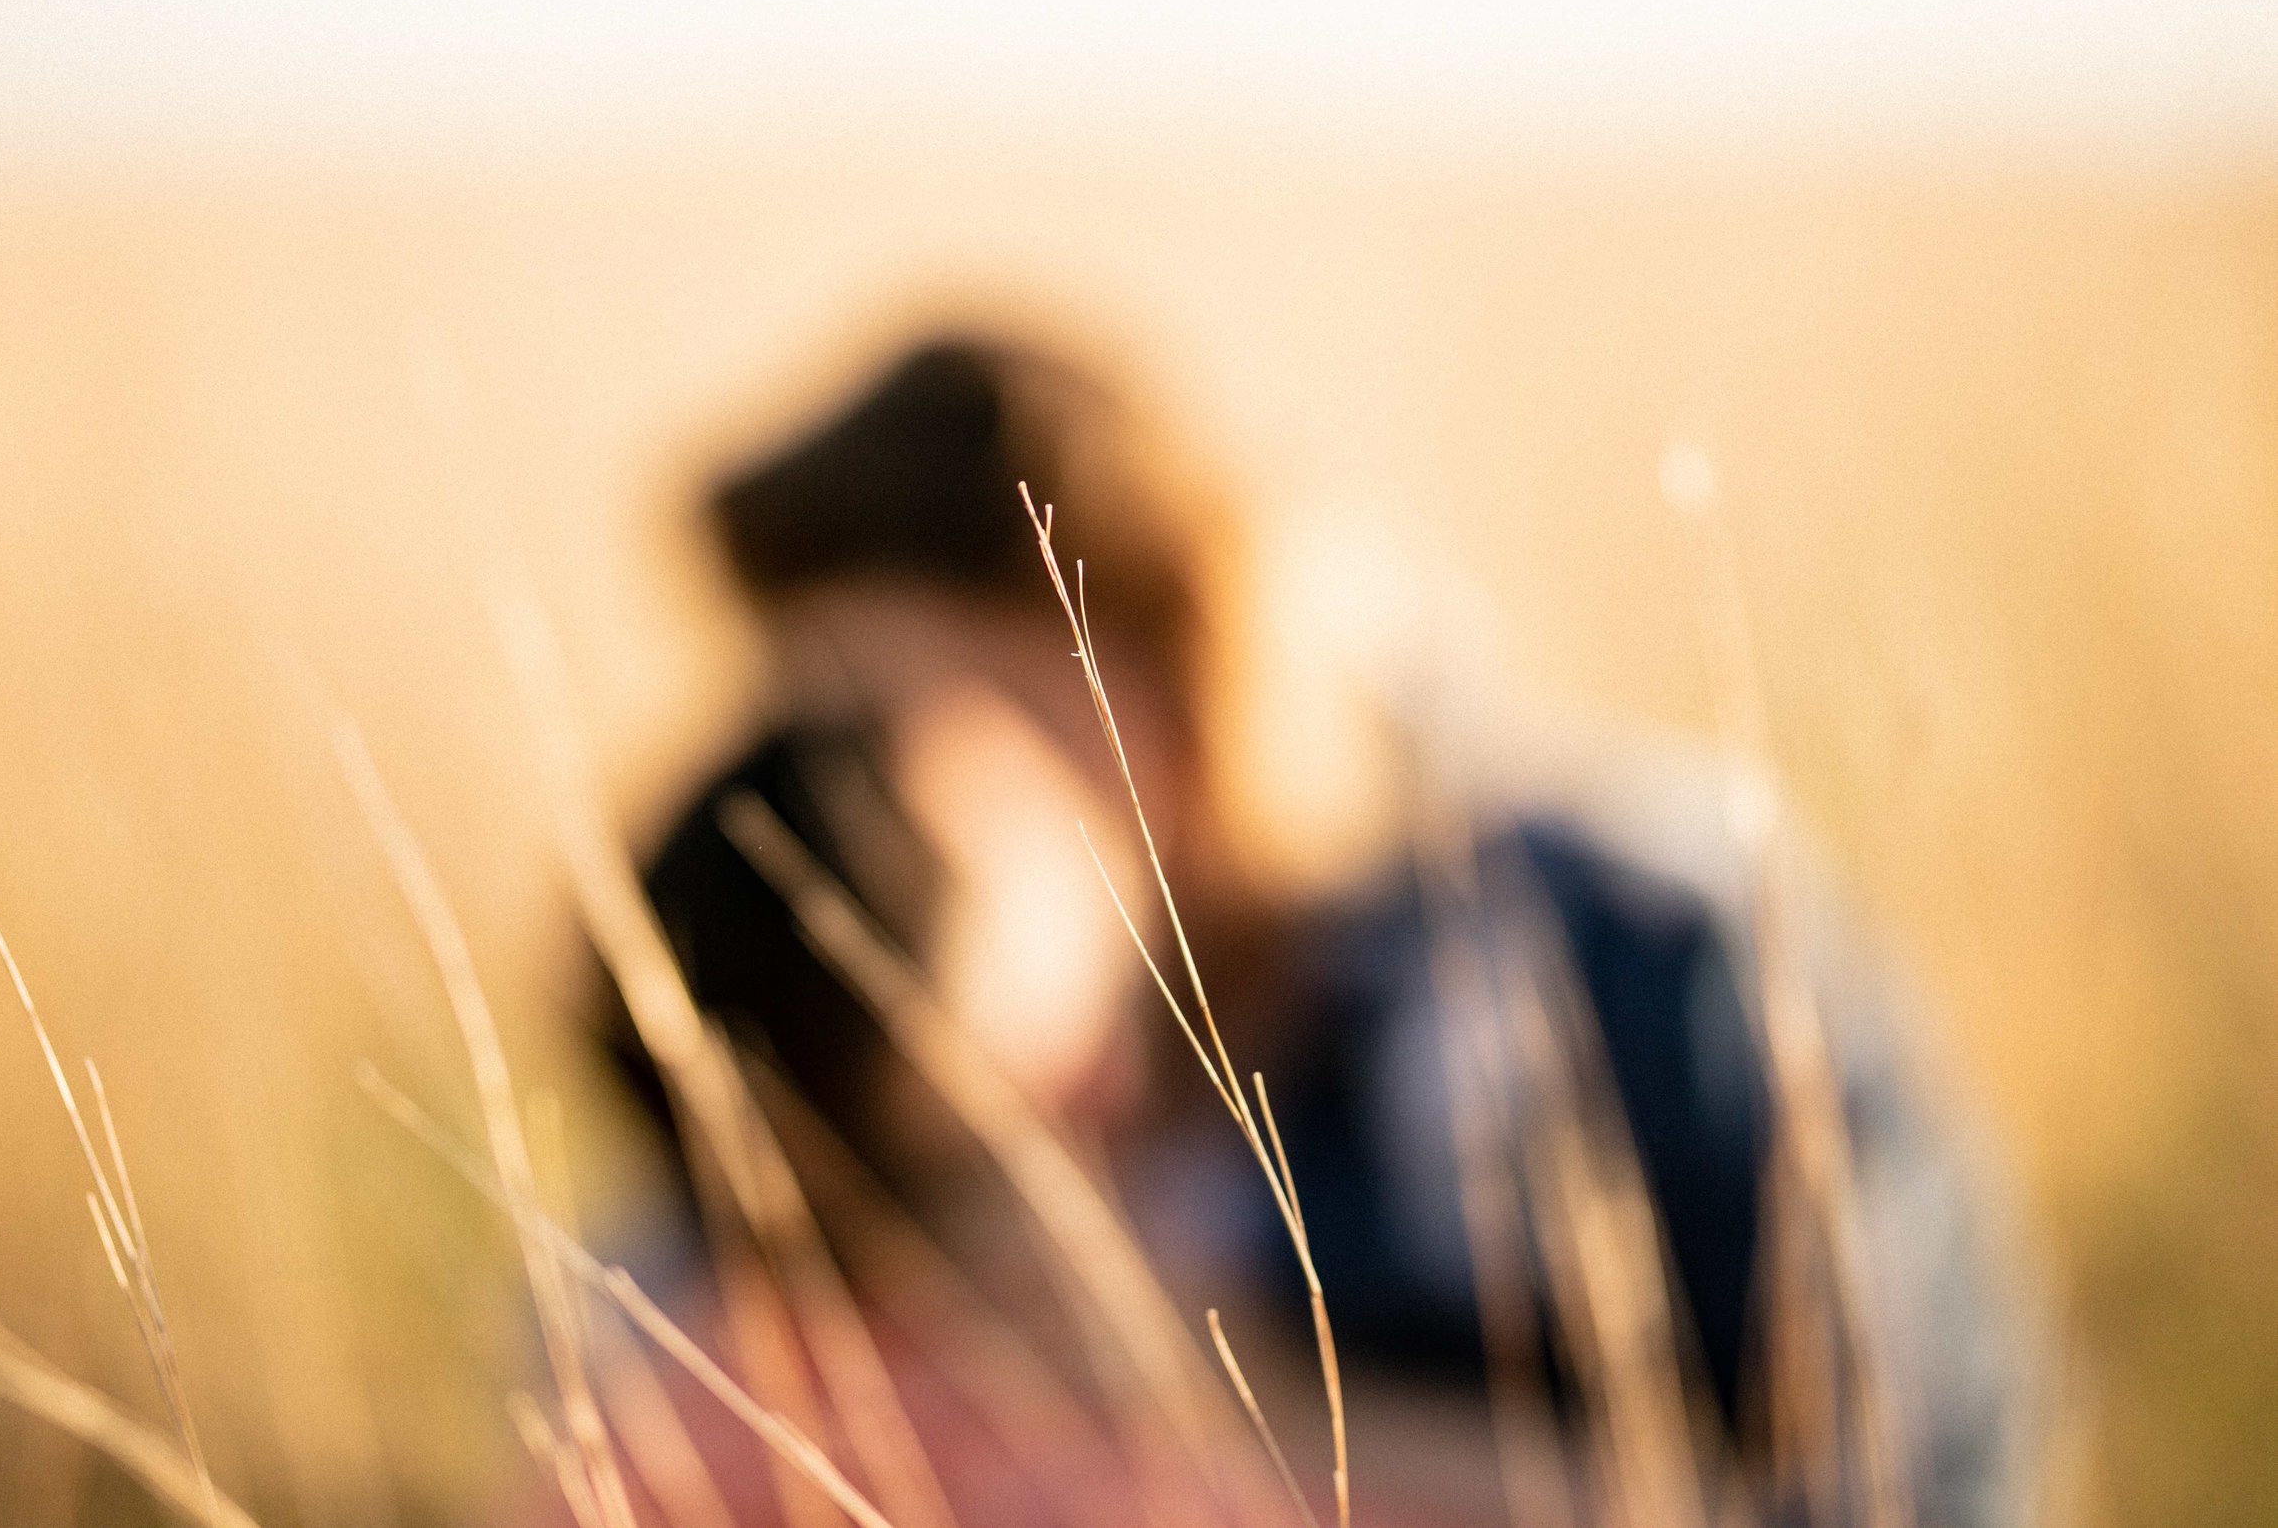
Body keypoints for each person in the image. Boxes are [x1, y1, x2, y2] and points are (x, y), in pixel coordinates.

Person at [597, 331, 2034, 1528]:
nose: (856, 821)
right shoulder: (881, 1014)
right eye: (811, 735)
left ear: (1167, 667)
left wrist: (1228, 1393)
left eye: (940, 731)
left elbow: (1905, 1485)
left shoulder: (1643, 957)